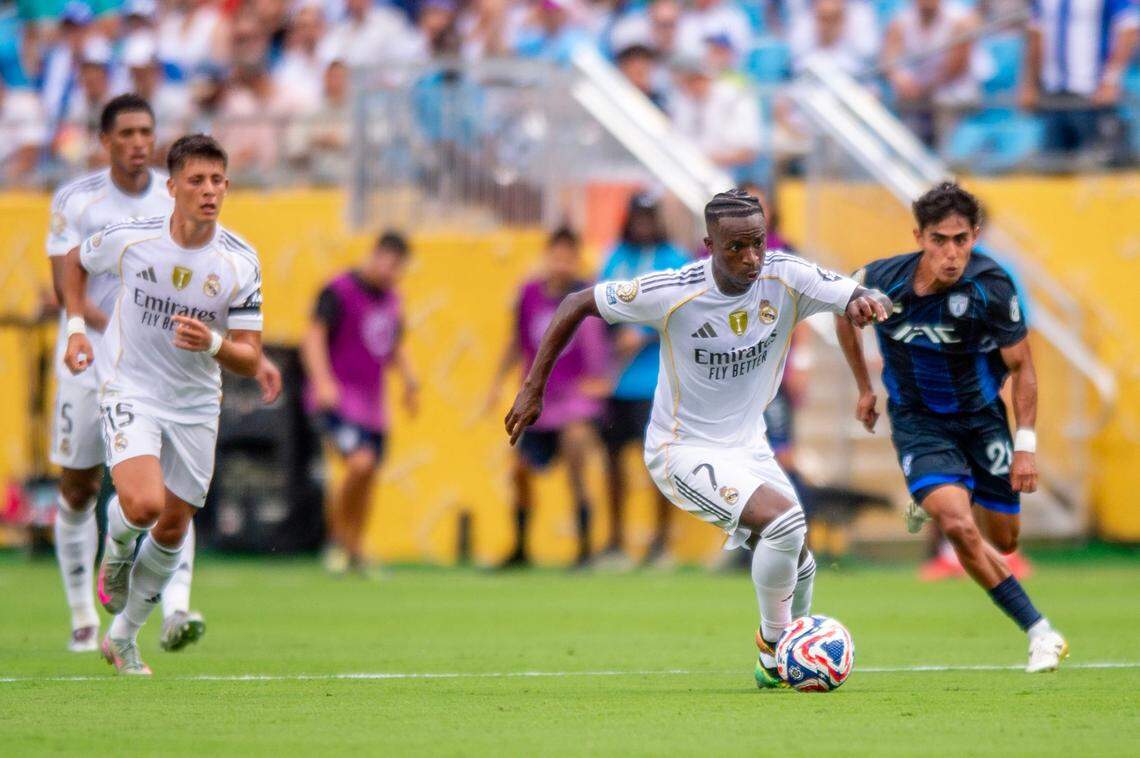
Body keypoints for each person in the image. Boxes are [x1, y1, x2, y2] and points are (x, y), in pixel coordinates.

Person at [504, 190, 890, 686]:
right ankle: (777, 650)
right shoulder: (673, 289)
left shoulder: (785, 275)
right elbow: (579, 302)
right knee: (786, 522)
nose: (751, 258)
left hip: (748, 445)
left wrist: (865, 303)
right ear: (709, 244)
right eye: (736, 248)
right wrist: (533, 386)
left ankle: (788, 655)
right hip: (681, 449)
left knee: (802, 562)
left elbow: (850, 294)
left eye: (757, 243)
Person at [833, 182, 1068, 673]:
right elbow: (843, 315)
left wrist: (1025, 447)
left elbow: (1023, 366)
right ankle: (1040, 631)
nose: (952, 253)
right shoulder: (880, 282)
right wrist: (864, 387)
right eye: (940, 240)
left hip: (983, 421)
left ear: (975, 236)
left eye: (962, 240)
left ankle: (945, 495)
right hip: (918, 421)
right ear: (919, 236)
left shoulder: (993, 286)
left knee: (1003, 539)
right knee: (959, 525)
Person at [61, 133, 265, 676]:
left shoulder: (241, 262)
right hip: (132, 388)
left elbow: (250, 357)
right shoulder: (131, 239)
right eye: (196, 181)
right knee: (144, 506)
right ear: (171, 187)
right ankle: (119, 538)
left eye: (218, 181)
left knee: (173, 528)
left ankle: (123, 637)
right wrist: (77, 328)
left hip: (197, 404)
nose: (209, 191)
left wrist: (215, 344)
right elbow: (74, 262)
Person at [300, 232, 419, 576]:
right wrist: (323, 381)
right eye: (386, 260)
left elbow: (394, 343)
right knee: (360, 463)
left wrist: (410, 381)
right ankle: (336, 541)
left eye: (397, 266)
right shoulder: (338, 290)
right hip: (339, 398)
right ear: (374, 255)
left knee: (368, 476)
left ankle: (355, 547)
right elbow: (313, 336)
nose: (389, 269)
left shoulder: (393, 299)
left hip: (372, 405)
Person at [488, 227, 608, 567]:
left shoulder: (588, 297)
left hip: (573, 403)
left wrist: (601, 382)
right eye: (557, 255)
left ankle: (585, 549)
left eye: (569, 256)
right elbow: (516, 341)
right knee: (519, 470)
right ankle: (521, 547)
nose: (562, 263)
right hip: (539, 401)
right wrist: (496, 383)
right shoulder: (528, 294)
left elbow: (602, 344)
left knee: (576, 458)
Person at [595, 194, 688, 567]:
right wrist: (612, 334)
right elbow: (599, 304)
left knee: (659, 465)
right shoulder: (615, 256)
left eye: (649, 217)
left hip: (657, 382)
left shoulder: (674, 258)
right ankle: (616, 542)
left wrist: (644, 334)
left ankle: (661, 543)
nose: (642, 224)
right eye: (637, 216)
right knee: (614, 462)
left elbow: (684, 311)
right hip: (617, 381)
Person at [1019, 0, 1138, 163]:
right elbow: (1035, 35)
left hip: (1091, 95)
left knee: (1095, 163)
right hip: (1053, 93)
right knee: (1053, 166)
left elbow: (1128, 28)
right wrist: (1030, 84)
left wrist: (1111, 79)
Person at [881, 0, 980, 147]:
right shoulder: (900, 21)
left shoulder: (960, 20)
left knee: (945, 104)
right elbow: (889, 62)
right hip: (915, 95)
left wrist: (922, 89)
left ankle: (946, 156)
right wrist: (902, 82)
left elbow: (955, 69)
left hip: (953, 93)